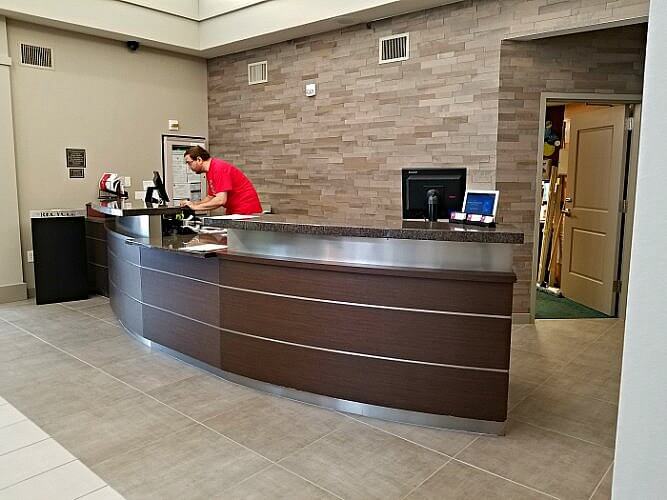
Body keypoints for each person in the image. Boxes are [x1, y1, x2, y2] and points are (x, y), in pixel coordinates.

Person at [181, 146, 262, 215]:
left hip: (246, 211)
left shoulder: (218, 168)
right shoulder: (210, 171)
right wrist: (193, 204)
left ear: (199, 159)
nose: (189, 167)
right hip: (235, 211)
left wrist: (195, 207)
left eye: (189, 163)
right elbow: (211, 196)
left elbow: (220, 200)